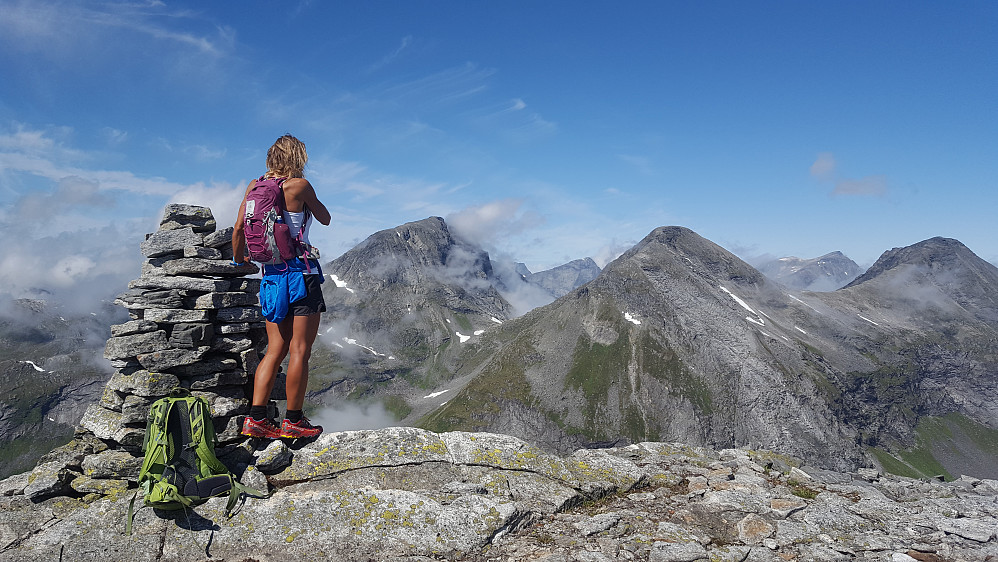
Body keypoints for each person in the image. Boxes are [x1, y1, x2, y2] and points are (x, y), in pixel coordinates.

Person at [232, 134, 331, 439]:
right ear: (298, 158)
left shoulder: (254, 187)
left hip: (271, 278)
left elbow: (238, 230)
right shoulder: (299, 186)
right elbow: (325, 219)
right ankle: (294, 420)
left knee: (275, 349)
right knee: (300, 350)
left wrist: (239, 262)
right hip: (302, 275)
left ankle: (257, 419)